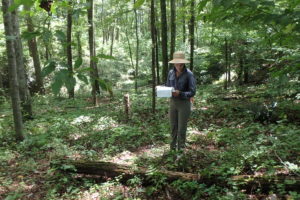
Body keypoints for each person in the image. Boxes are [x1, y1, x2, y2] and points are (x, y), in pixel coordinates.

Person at [166, 51, 196, 151]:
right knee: (173, 127)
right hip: (173, 103)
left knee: (181, 128)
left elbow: (192, 92)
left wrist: (181, 93)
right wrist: (163, 90)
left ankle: (181, 150)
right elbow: (167, 86)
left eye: (181, 63)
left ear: (184, 63)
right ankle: (172, 149)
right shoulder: (171, 72)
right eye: (177, 62)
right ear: (174, 63)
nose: (179, 65)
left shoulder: (189, 74)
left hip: (184, 103)